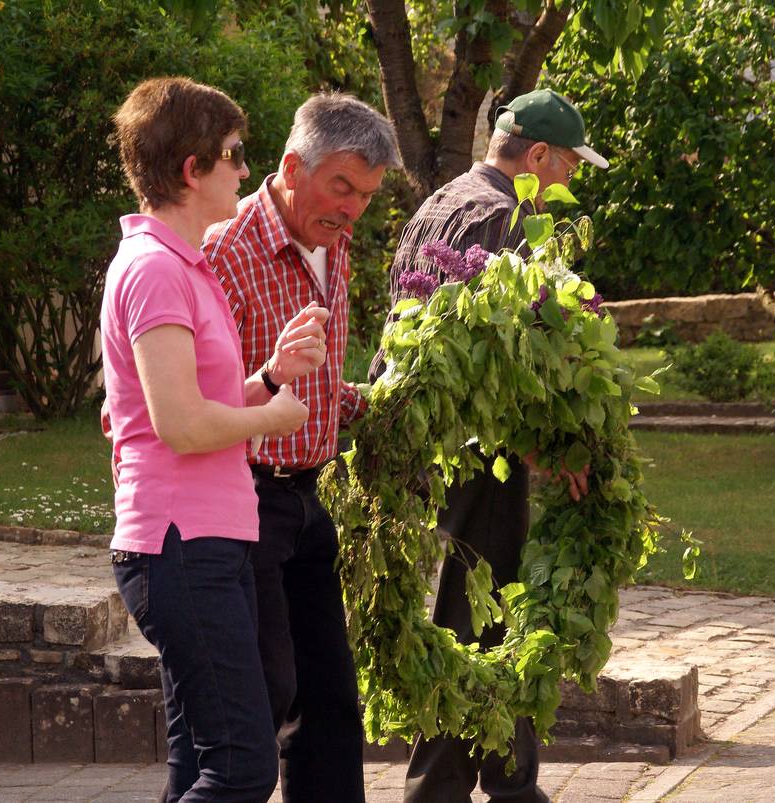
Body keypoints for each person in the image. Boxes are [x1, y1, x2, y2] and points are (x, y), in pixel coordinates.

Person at [372, 88, 605, 803]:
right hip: (469, 448)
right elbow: (494, 361)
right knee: (474, 615)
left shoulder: (444, 200)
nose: (568, 180)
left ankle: (500, 778)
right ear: (536, 156)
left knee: (479, 610)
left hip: (424, 437)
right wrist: (543, 446)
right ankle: (456, 787)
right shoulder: (502, 216)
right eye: (567, 165)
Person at [102, 77, 329, 801]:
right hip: (180, 545)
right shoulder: (155, 270)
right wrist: (274, 418)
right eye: (232, 154)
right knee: (241, 767)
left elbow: (198, 403)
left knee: (196, 766)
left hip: (205, 540)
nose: (243, 168)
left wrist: (268, 376)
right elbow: (182, 425)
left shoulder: (183, 265)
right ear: (191, 170)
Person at [203, 92, 401, 803]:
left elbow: (316, 383)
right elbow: (195, 392)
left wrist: (375, 406)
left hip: (309, 499)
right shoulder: (224, 249)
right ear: (292, 166)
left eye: (368, 196)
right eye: (342, 186)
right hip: (242, 499)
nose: (353, 209)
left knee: (330, 703)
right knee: (261, 701)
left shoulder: (333, 241)